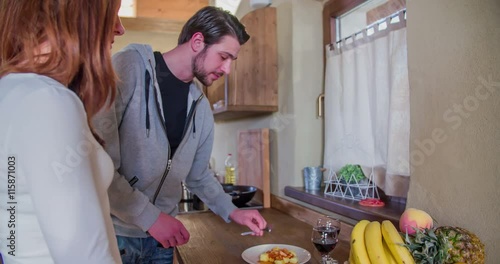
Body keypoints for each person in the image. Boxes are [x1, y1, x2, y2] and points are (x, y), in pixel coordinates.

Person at [92, 6, 268, 263]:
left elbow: (199, 176)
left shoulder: (202, 108)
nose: (228, 69)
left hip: (162, 242)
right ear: (197, 42)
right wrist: (150, 218)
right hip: (116, 234)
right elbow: (100, 162)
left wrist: (232, 211)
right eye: (223, 56)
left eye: (232, 60)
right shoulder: (130, 66)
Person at [0, 0, 125, 263]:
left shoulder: (12, 90)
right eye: (112, 14)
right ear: (81, 12)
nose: (119, 29)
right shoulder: (47, 101)